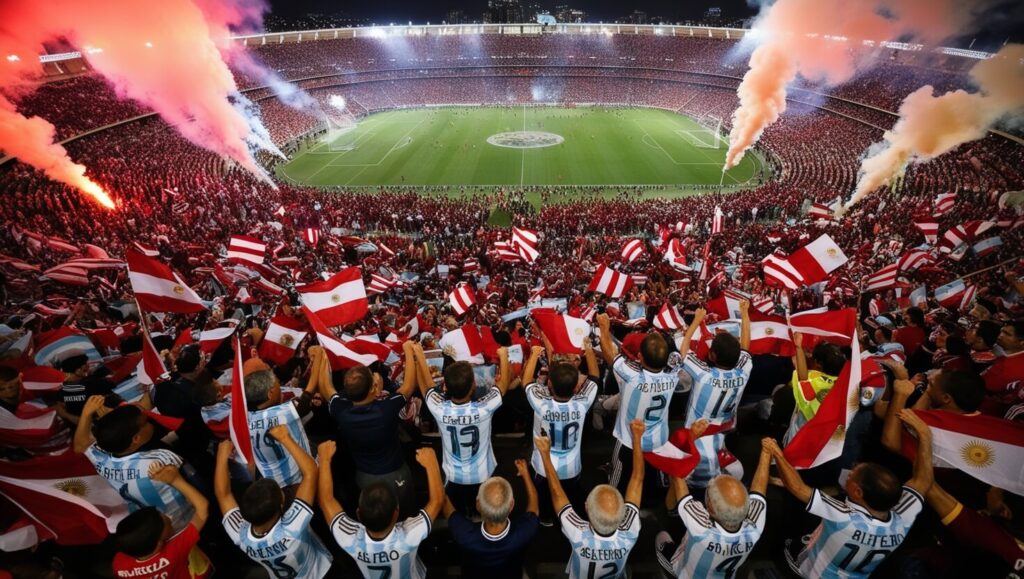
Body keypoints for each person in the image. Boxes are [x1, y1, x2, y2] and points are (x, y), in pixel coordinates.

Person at [767, 408, 933, 578]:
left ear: (858, 491)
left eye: (852, 476)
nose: (848, 475)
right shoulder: (902, 520)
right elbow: (923, 481)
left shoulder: (843, 517)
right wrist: (925, 435)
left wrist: (777, 453)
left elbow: (798, 488)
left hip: (809, 573)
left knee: (786, 541)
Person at [320, 340, 423, 518]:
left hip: (363, 476)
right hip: (395, 473)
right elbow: (408, 386)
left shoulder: (340, 410)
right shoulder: (386, 409)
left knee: (374, 515)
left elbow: (326, 388)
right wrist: (408, 351)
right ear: (373, 389)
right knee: (405, 516)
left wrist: (323, 357)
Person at [215, 427, 332, 578]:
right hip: (320, 572)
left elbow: (223, 494)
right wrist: (285, 438)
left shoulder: (240, 535)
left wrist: (221, 456)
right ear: (282, 505)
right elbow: (310, 473)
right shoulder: (292, 527)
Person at [536, 419, 644, 579]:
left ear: (586, 508)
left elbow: (557, 494)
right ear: (623, 513)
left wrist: (545, 455)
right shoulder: (630, 530)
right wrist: (637, 438)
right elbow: (637, 478)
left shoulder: (578, 533)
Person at [318, 442, 444, 579]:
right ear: (397, 513)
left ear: (358, 514)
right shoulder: (409, 536)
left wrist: (324, 460)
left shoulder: (349, 539)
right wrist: (431, 463)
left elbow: (326, 500)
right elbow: (437, 501)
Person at [655, 431, 771, 578]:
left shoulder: (701, 526)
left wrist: (689, 441)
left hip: (683, 573)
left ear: (709, 508)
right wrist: (766, 453)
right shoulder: (755, 527)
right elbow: (759, 490)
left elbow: (678, 481)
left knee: (661, 536)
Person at [73, 395, 195, 531]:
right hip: (188, 520)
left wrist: (86, 413)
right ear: (136, 438)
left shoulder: (99, 458)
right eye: (146, 422)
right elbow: (194, 481)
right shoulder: (159, 461)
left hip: (157, 526)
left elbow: (80, 446)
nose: (150, 421)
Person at [423, 346, 511, 515]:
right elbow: (503, 384)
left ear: (445, 387)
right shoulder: (484, 408)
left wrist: (419, 355)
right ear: (474, 385)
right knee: (485, 511)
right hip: (482, 474)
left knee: (458, 514)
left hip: (454, 477)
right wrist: (503, 356)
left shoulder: (439, 408)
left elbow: (427, 387)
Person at [595, 313, 679, 491]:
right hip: (658, 439)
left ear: (640, 357)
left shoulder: (630, 376)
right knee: (654, 473)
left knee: (619, 477)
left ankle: (615, 499)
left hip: (628, 439)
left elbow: (609, 353)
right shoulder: (674, 374)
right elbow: (680, 354)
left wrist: (603, 327)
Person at [523, 342, 598, 524]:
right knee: (569, 497)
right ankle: (565, 518)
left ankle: (547, 518)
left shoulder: (540, 402)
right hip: (571, 467)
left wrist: (534, 354)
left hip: (543, 467)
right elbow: (595, 377)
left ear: (549, 384)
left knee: (545, 497)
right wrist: (588, 348)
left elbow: (526, 382)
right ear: (575, 388)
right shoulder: (582, 403)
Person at [678, 304, 753, 487]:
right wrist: (744, 314)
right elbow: (746, 346)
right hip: (723, 431)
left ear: (711, 355)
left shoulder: (704, 374)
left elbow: (684, 349)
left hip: (696, 435)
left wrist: (696, 320)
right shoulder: (744, 371)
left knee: (690, 479)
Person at [111, 462, 212, 579]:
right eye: (168, 523)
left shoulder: (119, 564)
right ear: (159, 543)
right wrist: (175, 479)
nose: (170, 517)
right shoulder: (175, 550)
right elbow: (202, 509)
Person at [444, 459, 540, 579]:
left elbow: (444, 503)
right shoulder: (525, 531)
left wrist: (438, 471)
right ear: (512, 505)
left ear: (478, 505)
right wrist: (526, 474)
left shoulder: (463, 534)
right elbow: (534, 506)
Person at [242, 349, 318, 489]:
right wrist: (318, 360)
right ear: (271, 393)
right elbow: (307, 396)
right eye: (277, 383)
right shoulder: (282, 414)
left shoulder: (243, 418)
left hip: (271, 482)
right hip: (297, 480)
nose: (280, 387)